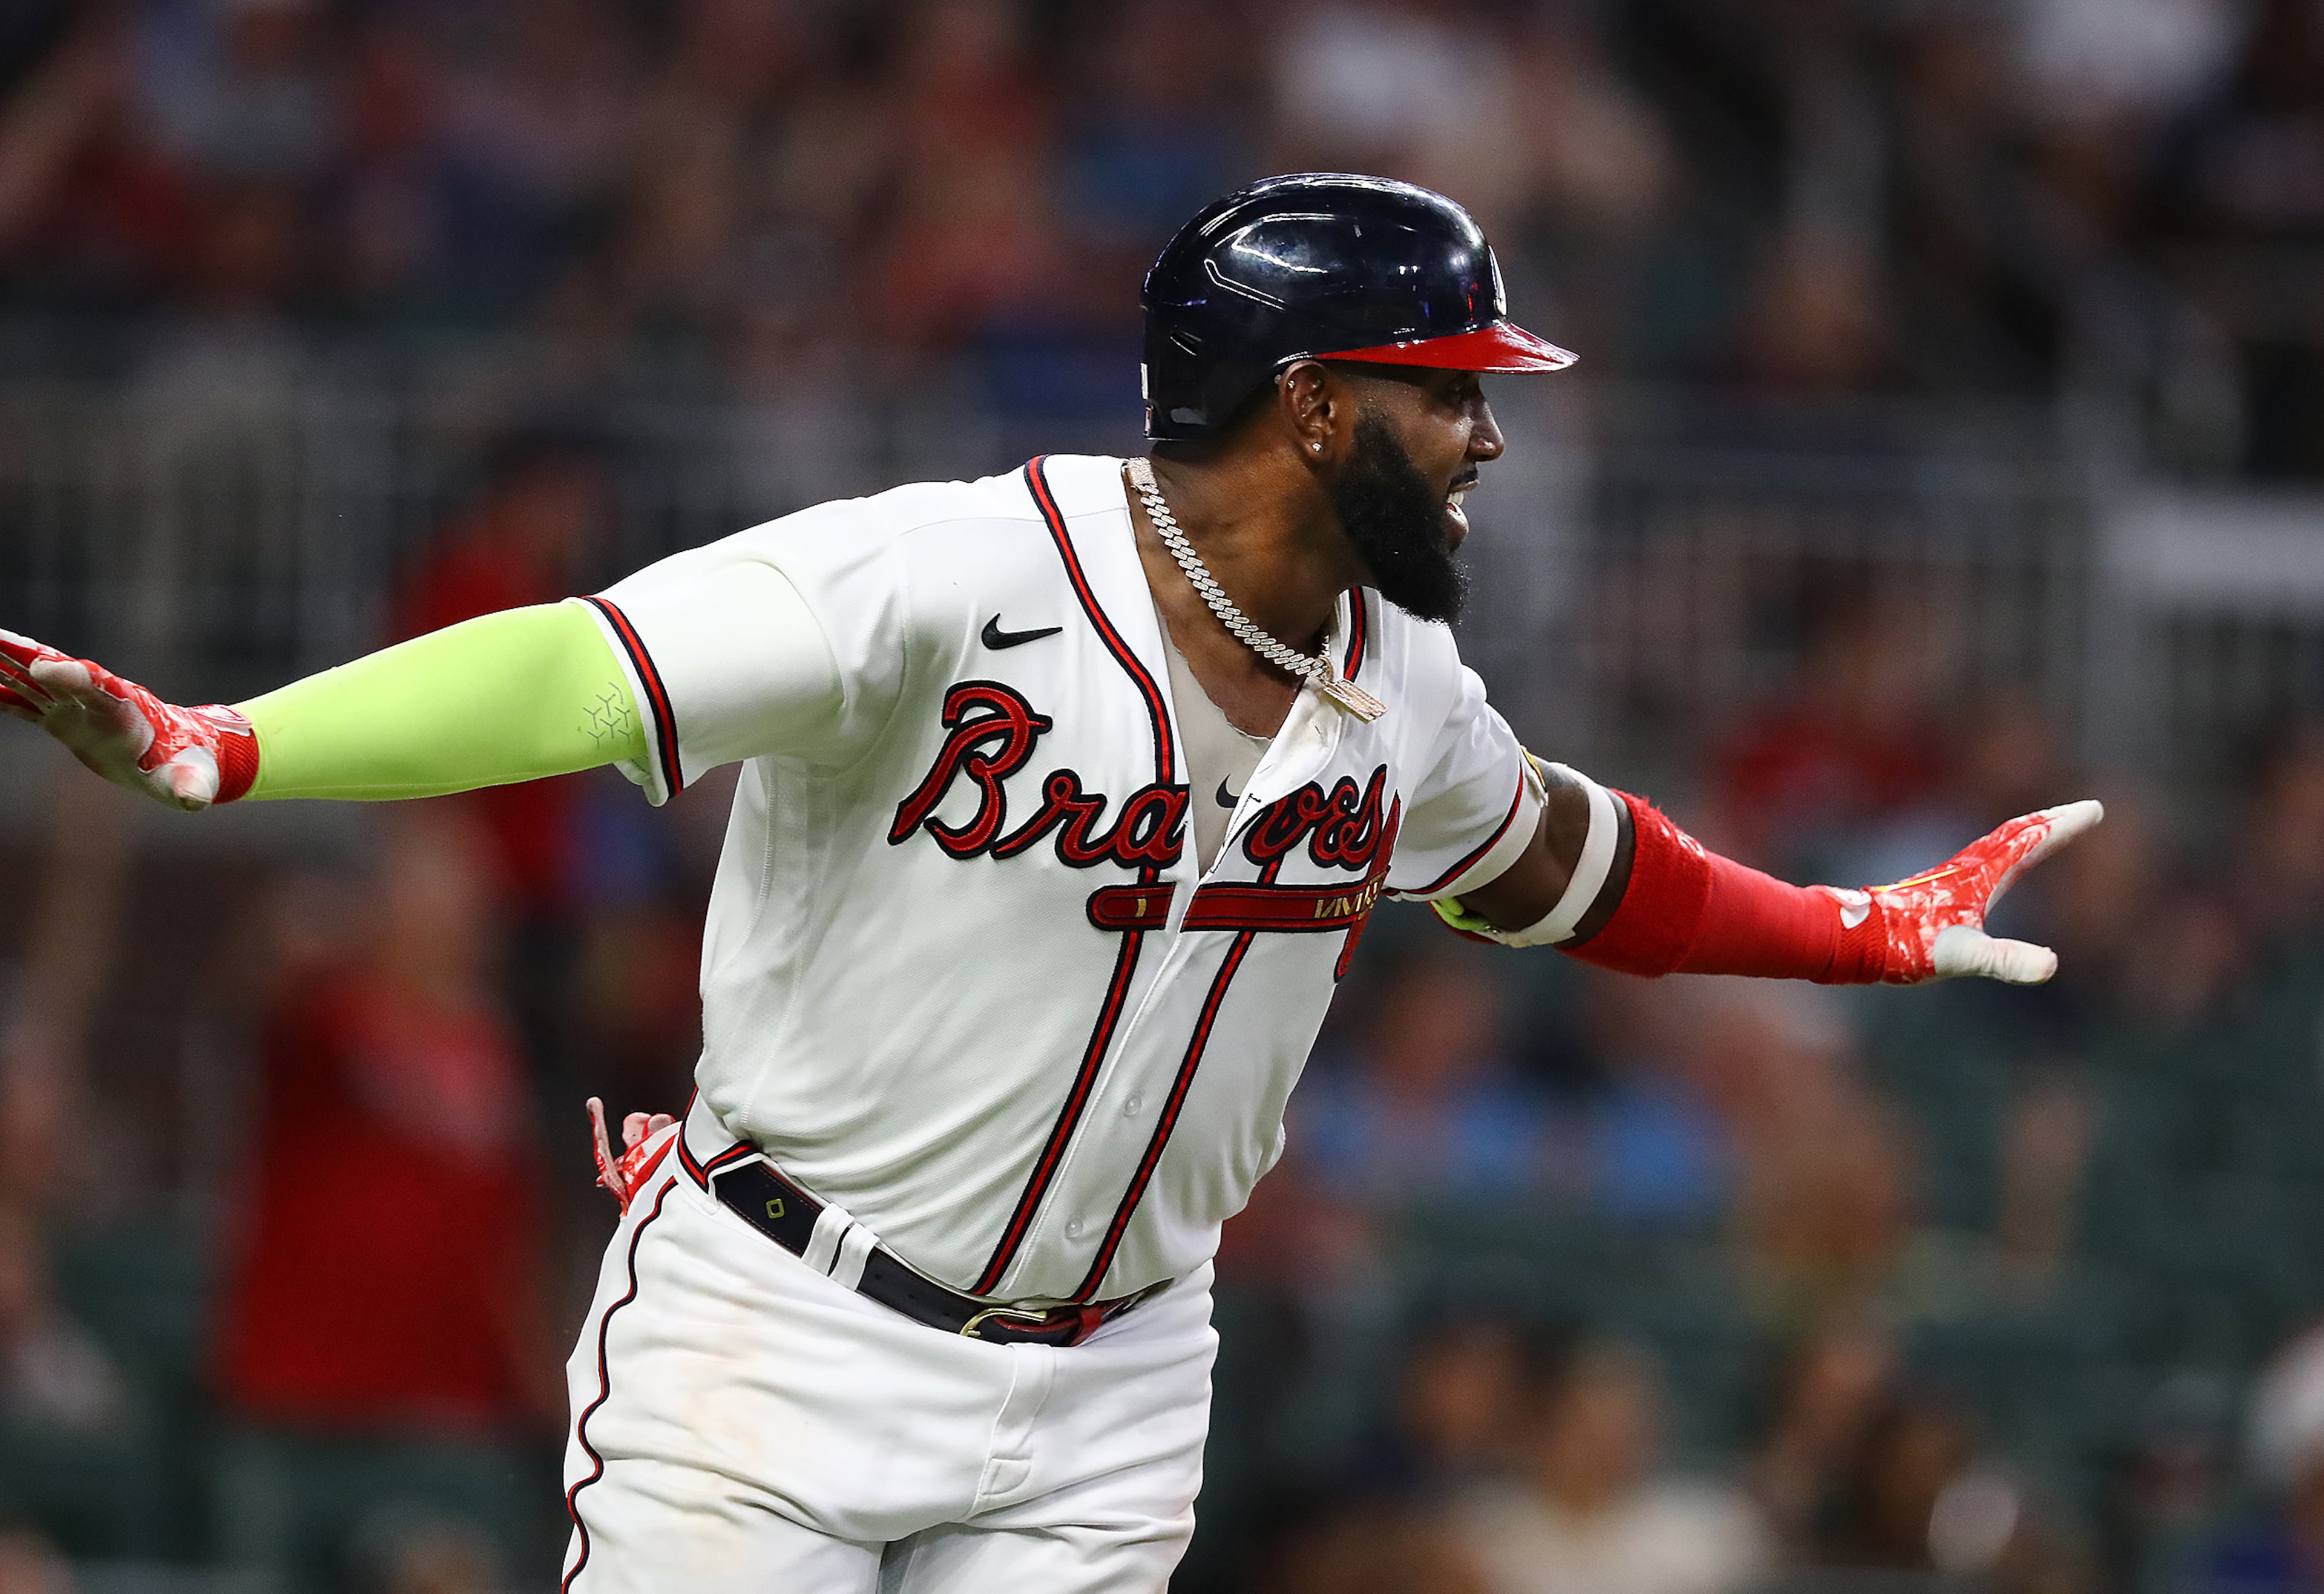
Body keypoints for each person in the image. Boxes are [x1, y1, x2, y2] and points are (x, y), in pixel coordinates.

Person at [0, 173, 2099, 1593]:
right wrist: (232, 746)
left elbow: (1574, 863)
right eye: (1449, 391)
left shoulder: (1407, 689)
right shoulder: (945, 575)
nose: (1483, 437)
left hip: (1113, 1379)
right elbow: (577, 662)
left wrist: (1860, 927)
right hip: (784, 1332)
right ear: (1310, 404)